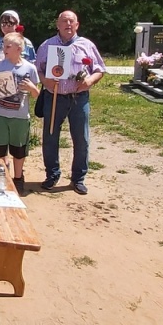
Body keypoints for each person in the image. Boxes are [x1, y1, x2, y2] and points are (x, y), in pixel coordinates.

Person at [36, 10, 106, 195]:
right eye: (64, 21)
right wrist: (45, 81)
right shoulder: (47, 45)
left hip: (78, 98)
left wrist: (90, 81)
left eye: (71, 21)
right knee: (50, 137)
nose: (68, 24)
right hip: (54, 97)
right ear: (57, 25)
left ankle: (78, 178)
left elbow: (99, 69)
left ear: (77, 25)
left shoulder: (87, 45)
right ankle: (52, 175)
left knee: (81, 139)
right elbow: (38, 69)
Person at [0, 33, 40, 194]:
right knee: (0, 149)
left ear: (19, 49)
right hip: (0, 114)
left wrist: (31, 87)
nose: (5, 49)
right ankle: (2, 178)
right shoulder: (0, 66)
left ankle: (18, 179)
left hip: (20, 116)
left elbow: (37, 94)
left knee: (18, 150)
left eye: (8, 46)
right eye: (4, 45)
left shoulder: (30, 68)